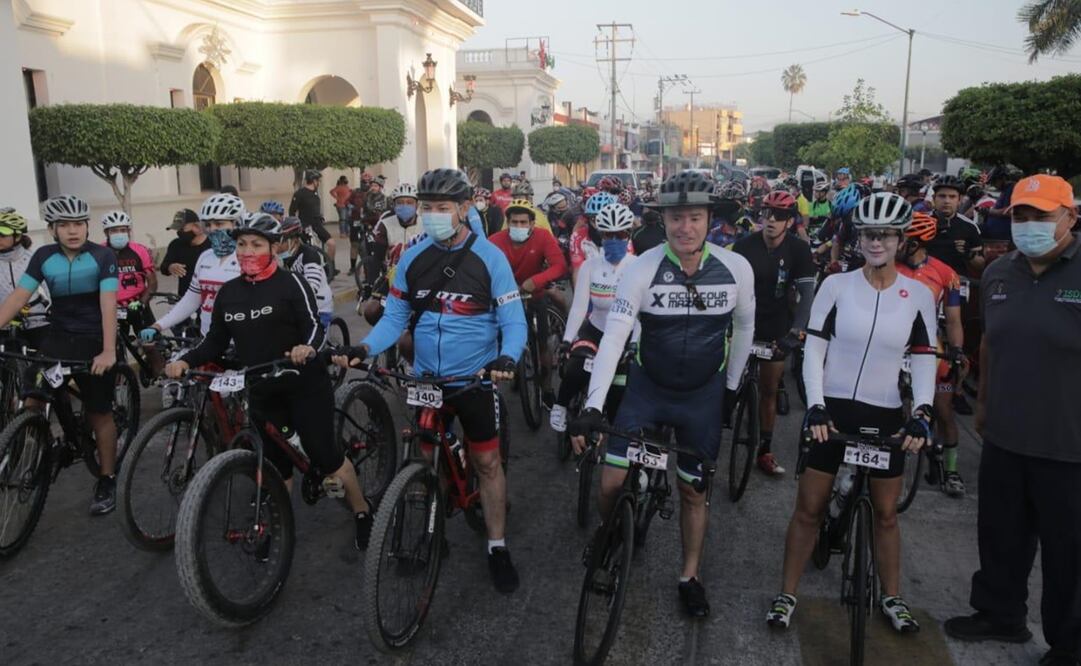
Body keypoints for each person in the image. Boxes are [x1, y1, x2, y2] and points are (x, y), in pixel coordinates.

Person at [569, 170, 756, 618]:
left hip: (701, 397)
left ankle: (690, 575)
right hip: (647, 389)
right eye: (675, 218)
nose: (684, 227)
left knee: (693, 492)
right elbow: (614, 334)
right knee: (611, 481)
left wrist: (731, 389)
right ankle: (610, 530)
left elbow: (746, 328)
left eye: (694, 217)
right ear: (663, 220)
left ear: (710, 219)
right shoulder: (641, 268)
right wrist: (594, 404)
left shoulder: (735, 269)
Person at [337, 168, 526, 593]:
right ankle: (430, 526)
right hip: (425, 378)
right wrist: (365, 349)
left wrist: (508, 357)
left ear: (463, 210)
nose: (433, 215)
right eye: (428, 208)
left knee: (487, 463)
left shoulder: (490, 258)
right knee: (424, 457)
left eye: (443, 208)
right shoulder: (412, 258)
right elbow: (395, 318)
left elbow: (514, 321)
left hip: (475, 378)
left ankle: (497, 545)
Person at [766, 192, 937, 635]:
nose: (875, 242)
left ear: (901, 240)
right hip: (834, 409)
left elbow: (922, 358)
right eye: (867, 234)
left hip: (884, 413)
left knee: (885, 514)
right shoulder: (836, 286)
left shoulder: (918, 295)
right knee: (809, 508)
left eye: (884, 235)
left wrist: (922, 411)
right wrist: (816, 405)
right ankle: (787, 593)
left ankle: (892, 597)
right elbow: (815, 349)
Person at [164, 214, 374, 551]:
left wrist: (306, 348)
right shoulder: (229, 293)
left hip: (303, 384)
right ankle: (270, 527)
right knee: (276, 464)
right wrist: (185, 360)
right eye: (242, 244)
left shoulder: (291, 283)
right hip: (261, 387)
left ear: (274, 248)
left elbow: (314, 328)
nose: (247, 251)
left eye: (257, 244)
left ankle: (362, 511)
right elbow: (214, 341)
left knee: (326, 457)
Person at [945, 175, 1081, 666]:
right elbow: (989, 344)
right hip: (1005, 434)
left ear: (1070, 217)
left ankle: (1069, 643)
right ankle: (1001, 613)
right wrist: (980, 407)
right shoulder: (1001, 272)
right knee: (1001, 534)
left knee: (1069, 553)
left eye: (1040, 217)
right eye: (1020, 216)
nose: (1027, 226)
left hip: (1069, 445)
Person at [0, 195, 120, 515]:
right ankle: (37, 446)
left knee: (99, 412)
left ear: (86, 226)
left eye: (78, 224)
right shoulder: (43, 255)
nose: (72, 231)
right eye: (64, 225)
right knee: (33, 398)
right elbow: (17, 297)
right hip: (57, 336)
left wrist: (109, 351)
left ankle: (107, 477)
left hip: (95, 337)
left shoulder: (102, 255)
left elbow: (109, 304)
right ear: (52, 229)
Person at [732, 190, 816, 476]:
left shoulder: (799, 250)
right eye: (766, 213)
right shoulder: (743, 246)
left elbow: (806, 295)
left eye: (779, 216)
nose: (770, 220)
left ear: (790, 222)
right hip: (743, 321)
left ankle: (765, 450)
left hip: (776, 325)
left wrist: (796, 332)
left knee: (768, 390)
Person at [895, 212, 968, 498]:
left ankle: (951, 470)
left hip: (929, 345)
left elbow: (953, 320)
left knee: (944, 409)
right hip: (894, 344)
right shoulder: (889, 267)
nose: (896, 243)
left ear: (917, 242)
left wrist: (957, 352)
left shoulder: (946, 274)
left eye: (902, 238)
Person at [550, 202, 638, 432]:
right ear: (600, 235)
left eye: (620, 235)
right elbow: (579, 308)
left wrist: (635, 345)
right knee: (576, 367)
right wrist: (567, 340)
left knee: (618, 394)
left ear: (628, 234)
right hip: (596, 329)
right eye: (608, 235)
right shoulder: (590, 266)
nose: (614, 240)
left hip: (627, 334)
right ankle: (560, 405)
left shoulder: (639, 267)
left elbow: (641, 315)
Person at [489, 198, 567, 407]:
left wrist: (536, 281)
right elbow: (483, 268)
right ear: (508, 222)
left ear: (533, 224)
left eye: (524, 222)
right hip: (505, 299)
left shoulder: (543, 237)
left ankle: (548, 388)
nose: (519, 226)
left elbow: (559, 266)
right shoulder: (495, 240)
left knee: (543, 343)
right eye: (514, 222)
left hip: (535, 295)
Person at [143, 193, 243, 339]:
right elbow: (192, 299)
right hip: (208, 341)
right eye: (208, 224)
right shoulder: (205, 258)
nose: (213, 229)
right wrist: (159, 325)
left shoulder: (248, 259)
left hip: (240, 342)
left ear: (237, 224)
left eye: (219, 224)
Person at [360, 183, 425, 326]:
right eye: (400, 203)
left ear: (417, 205)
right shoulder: (385, 224)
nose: (405, 206)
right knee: (371, 311)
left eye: (409, 202)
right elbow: (376, 258)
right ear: (394, 205)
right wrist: (370, 284)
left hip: (421, 280)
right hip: (392, 279)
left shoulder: (426, 224)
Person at [0, 210, 50, 349]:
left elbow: (50, 285)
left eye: (2, 235)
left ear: (17, 236)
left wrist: (54, 308)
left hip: (36, 318)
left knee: (46, 359)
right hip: (4, 321)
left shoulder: (34, 257)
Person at [274, 217, 333, 329]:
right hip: (295, 308)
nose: (277, 247)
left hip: (319, 308)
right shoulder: (281, 258)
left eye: (281, 242)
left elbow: (312, 288)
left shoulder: (310, 255)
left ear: (294, 241)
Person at [289, 169, 336, 275]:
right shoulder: (299, 194)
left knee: (332, 244)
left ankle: (330, 268)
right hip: (305, 226)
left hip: (317, 224)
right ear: (313, 180)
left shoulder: (315, 193)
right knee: (310, 250)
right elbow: (292, 211)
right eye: (318, 180)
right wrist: (296, 228)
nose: (319, 183)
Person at [569, 191, 618, 283]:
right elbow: (577, 271)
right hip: (590, 284)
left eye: (605, 218)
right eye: (594, 219)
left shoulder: (623, 236)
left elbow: (626, 269)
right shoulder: (577, 237)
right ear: (587, 219)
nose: (599, 224)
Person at [159, 209, 210, 298]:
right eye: (178, 229)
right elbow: (164, 267)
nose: (179, 232)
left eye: (182, 229)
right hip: (185, 298)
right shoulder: (176, 245)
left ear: (197, 227)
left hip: (209, 298)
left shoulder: (213, 245)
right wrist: (170, 267)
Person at [330, 175, 352, 239]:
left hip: (347, 205)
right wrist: (336, 197)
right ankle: (342, 233)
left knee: (347, 219)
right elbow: (331, 191)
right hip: (341, 205)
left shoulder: (346, 187)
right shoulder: (339, 187)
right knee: (343, 220)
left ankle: (347, 232)